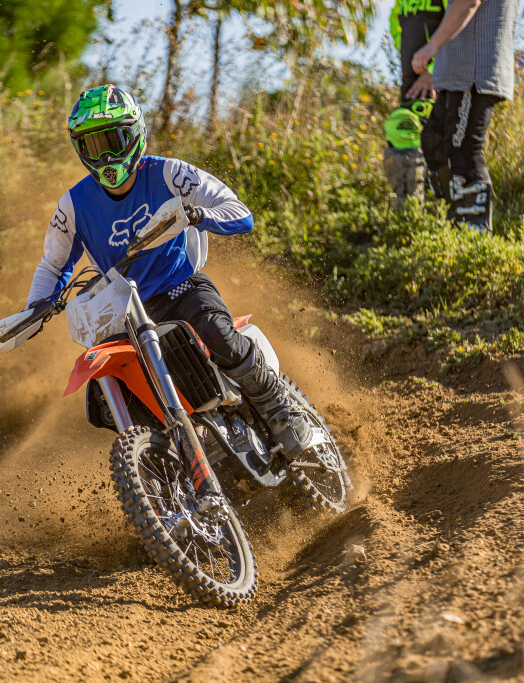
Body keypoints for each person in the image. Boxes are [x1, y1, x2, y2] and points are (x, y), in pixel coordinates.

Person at [26, 84, 312, 458]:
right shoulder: (73, 204)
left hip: (182, 287)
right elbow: (53, 264)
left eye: (113, 141)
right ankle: (167, 460)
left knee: (216, 333)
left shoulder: (168, 174)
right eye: (93, 146)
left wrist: (199, 214)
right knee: (104, 392)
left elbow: (239, 212)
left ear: (134, 135)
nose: (106, 155)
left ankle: (277, 404)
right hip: (125, 311)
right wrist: (35, 307)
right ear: (80, 150)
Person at [412, 0, 519, 232]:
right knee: (434, 142)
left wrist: (431, 47)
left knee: (463, 152)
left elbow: (468, 2)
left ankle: (475, 234)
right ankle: (450, 222)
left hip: (474, 72)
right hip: (453, 74)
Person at [383, 0, 446, 207]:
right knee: (402, 135)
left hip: (438, 82)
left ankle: (437, 211)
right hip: (412, 82)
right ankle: (410, 214)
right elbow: (397, 24)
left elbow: (456, 26)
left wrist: (433, 71)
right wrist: (410, 58)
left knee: (437, 148)